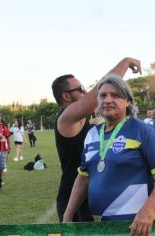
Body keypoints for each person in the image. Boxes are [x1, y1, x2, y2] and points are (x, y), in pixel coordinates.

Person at [63, 75, 155, 236]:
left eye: (115, 95)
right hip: (100, 225)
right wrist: (67, 216)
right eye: (102, 95)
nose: (107, 100)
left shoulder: (142, 130)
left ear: (128, 101)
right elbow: (83, 177)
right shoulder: (92, 134)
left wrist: (148, 210)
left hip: (135, 225)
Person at [52, 57, 141, 222]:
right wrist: (126, 63)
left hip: (88, 193)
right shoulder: (67, 117)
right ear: (66, 95)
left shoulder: (80, 120)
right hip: (74, 197)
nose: (85, 92)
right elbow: (95, 97)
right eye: (81, 89)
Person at [0, 113, 11, 177]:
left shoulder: (4, 128)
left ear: (0, 119)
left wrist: (10, 147)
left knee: (2, 166)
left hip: (3, 150)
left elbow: (8, 137)